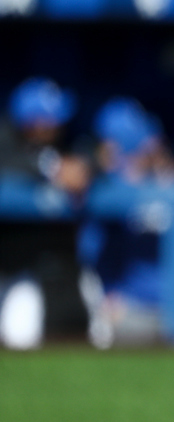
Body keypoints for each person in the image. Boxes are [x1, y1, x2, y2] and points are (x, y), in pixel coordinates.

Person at [77, 96, 174, 348]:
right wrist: (108, 296)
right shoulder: (104, 187)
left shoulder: (163, 181)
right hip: (128, 308)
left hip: (171, 306)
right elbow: (90, 252)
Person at [0, 78, 91, 350]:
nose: (59, 125)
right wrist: (51, 168)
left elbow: (91, 161)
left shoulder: (66, 144)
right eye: (51, 120)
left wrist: (83, 166)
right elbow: (12, 159)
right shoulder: (6, 140)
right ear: (33, 123)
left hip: (22, 268)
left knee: (21, 337)